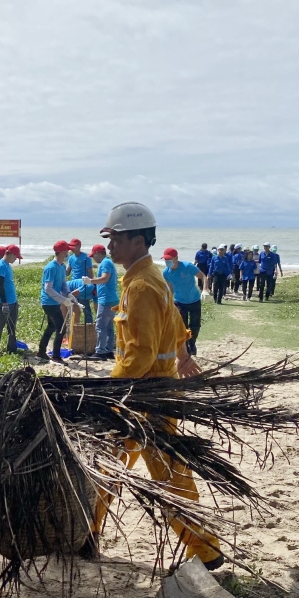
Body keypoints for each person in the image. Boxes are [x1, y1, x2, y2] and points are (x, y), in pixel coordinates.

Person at [89, 202, 223, 569]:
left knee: (167, 473)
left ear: (136, 240)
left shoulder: (143, 286)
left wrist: (109, 394)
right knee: (110, 464)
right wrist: (182, 355)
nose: (110, 245)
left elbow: (140, 355)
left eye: (115, 238)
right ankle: (87, 533)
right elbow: (175, 321)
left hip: (146, 397)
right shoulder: (145, 278)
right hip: (147, 392)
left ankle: (206, 549)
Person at [39, 241, 80, 362]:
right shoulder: (51, 267)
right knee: (61, 328)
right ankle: (56, 355)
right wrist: (64, 300)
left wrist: (68, 294)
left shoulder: (62, 266)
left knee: (51, 327)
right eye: (67, 250)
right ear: (62, 252)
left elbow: (63, 284)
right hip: (48, 302)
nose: (69, 252)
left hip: (55, 302)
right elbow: (48, 288)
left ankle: (41, 351)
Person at [162, 248, 204, 355]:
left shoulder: (187, 266)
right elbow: (170, 288)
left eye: (169, 259)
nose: (167, 262)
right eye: (165, 260)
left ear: (176, 258)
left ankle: (192, 343)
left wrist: (205, 290)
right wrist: (169, 302)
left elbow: (203, 276)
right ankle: (186, 349)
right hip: (179, 302)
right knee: (182, 327)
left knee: (195, 325)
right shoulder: (166, 272)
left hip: (194, 300)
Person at [86, 243, 118, 359]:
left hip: (106, 299)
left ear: (97, 254)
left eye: (93, 256)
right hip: (112, 298)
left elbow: (105, 278)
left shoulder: (105, 263)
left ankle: (100, 351)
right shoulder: (109, 262)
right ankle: (109, 350)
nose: (93, 258)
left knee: (100, 326)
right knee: (108, 326)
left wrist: (91, 281)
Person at [0, 244, 20, 356]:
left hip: (13, 301)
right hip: (4, 302)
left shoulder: (8, 265)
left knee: (12, 326)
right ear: (10, 254)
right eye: (16, 256)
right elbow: (0, 285)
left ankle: (12, 349)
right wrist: (4, 303)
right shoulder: (0, 266)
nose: (16, 259)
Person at [66, 238, 94, 323]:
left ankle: (89, 326)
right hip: (74, 284)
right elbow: (67, 272)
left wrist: (89, 285)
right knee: (73, 308)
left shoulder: (86, 258)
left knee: (85, 307)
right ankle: (74, 326)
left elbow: (91, 274)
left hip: (82, 285)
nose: (71, 249)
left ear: (79, 246)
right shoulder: (71, 258)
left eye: (73, 246)